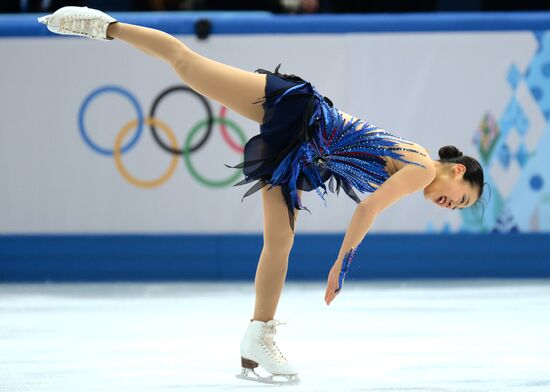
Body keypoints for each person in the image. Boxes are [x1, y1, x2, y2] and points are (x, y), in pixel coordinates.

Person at [38, 6, 485, 385]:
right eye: (461, 199)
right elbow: (368, 207)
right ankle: (101, 25)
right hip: (299, 112)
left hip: (302, 154)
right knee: (186, 63)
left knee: (280, 242)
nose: (452, 207)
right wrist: (341, 264)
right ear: (458, 171)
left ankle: (258, 336)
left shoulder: (421, 159)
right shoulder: (422, 167)